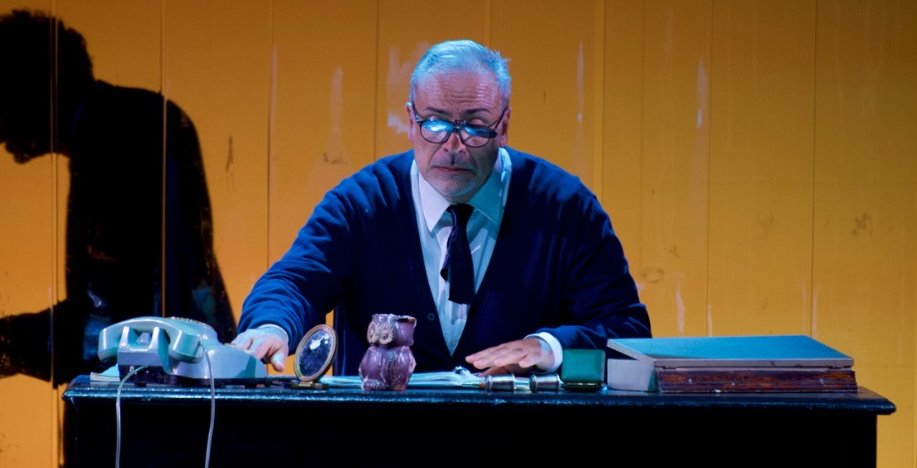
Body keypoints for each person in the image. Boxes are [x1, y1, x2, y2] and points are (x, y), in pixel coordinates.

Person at [233, 39, 650, 377]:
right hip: (376, 445)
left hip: (521, 444)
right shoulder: (362, 204)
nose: (453, 145)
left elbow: (627, 330)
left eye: (475, 126)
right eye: (435, 123)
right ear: (410, 122)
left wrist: (551, 347)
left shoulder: (564, 208)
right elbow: (295, 282)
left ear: (504, 126)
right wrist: (272, 326)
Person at [0, 9, 237, 386]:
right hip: (175, 387)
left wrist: (11, 341)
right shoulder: (123, 125)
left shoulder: (117, 139)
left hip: (155, 396)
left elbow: (119, 315)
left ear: (29, 88)